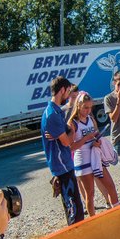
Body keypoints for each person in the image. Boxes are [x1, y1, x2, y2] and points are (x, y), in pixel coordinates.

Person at [66, 92, 119, 216]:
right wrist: (86, 138)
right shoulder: (72, 123)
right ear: (78, 106)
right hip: (83, 160)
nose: (88, 110)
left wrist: (98, 141)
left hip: (95, 158)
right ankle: (93, 219)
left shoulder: (91, 119)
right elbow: (70, 147)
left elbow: (96, 134)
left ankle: (116, 210)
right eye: (85, 107)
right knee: (90, 194)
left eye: (90, 107)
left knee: (110, 185)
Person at [41, 76, 85, 225]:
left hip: (66, 164)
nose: (68, 94)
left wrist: (67, 132)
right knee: (73, 209)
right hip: (62, 167)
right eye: (67, 91)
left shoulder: (56, 111)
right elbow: (67, 141)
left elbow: (65, 134)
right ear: (62, 90)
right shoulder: (52, 115)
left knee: (77, 206)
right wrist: (71, 132)